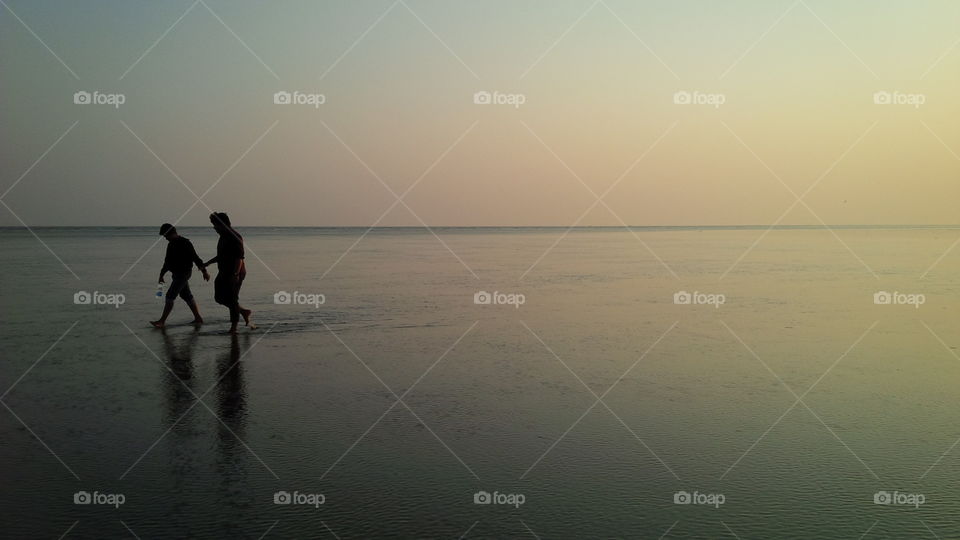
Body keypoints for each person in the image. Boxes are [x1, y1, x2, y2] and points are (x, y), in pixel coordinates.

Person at [151, 223, 209, 328]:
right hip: (176, 274)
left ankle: (162, 321)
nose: (165, 238)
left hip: (184, 273)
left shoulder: (185, 243)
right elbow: (167, 261)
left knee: (169, 296)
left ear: (171, 233)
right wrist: (161, 274)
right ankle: (198, 318)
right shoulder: (170, 244)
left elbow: (196, 258)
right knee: (186, 295)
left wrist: (204, 271)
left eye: (165, 236)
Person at [204, 212, 254, 333]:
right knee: (219, 298)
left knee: (232, 299)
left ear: (222, 224)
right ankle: (243, 311)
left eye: (215, 225)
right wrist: (207, 263)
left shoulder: (234, 236)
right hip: (223, 271)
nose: (214, 228)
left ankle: (234, 328)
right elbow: (221, 255)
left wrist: (235, 275)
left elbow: (239, 258)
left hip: (234, 272)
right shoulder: (223, 236)